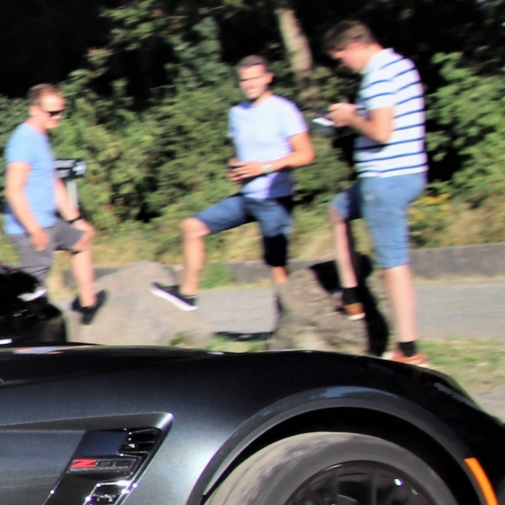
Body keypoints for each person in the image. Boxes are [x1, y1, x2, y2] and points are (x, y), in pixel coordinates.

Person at [153, 55, 314, 317]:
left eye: (255, 78)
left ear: (268, 78)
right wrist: (236, 167)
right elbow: (245, 153)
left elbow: (306, 154)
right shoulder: (237, 113)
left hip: (274, 198)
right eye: (244, 80)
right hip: (246, 197)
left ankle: (295, 325)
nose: (249, 84)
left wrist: (264, 167)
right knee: (191, 227)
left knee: (277, 267)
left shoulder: (284, 110)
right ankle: (188, 294)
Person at [322, 19, 430, 364]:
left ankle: (408, 349)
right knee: (338, 210)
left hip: (385, 178)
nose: (343, 65)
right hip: (408, 171)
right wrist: (355, 114)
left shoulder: (377, 75)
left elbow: (382, 132)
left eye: (341, 58)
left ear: (355, 46)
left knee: (392, 264)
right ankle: (351, 293)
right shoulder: (401, 65)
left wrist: (350, 118)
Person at [2, 85, 104, 326]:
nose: (57, 117)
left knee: (82, 240)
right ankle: (25, 336)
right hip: (31, 226)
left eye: (60, 112)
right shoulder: (23, 141)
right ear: (35, 110)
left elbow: (52, 179)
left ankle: (87, 303)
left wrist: (75, 219)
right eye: (52, 113)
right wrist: (34, 229)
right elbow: (13, 191)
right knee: (32, 288)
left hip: (49, 221)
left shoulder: (41, 136)